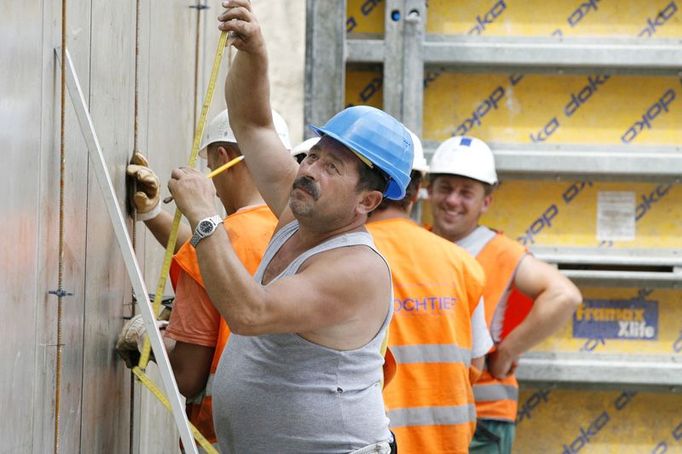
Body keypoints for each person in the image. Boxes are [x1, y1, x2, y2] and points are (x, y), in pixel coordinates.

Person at [166, 2, 413, 452]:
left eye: (332, 167)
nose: (311, 169)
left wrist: (205, 220)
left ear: (368, 201)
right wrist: (256, 53)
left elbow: (250, 313)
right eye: (314, 155)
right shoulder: (302, 212)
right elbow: (253, 123)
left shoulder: (355, 268)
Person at [118, 108, 289, 447]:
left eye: (211, 168)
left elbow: (187, 375)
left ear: (223, 157)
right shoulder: (297, 233)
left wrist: (150, 339)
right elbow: (228, 248)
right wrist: (153, 214)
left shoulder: (215, 246)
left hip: (224, 437)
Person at [427, 135, 582, 454]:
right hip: (427, 412)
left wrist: (506, 353)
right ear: (429, 190)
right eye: (445, 188)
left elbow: (564, 295)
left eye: (466, 192)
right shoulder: (418, 244)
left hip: (483, 420)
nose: (453, 200)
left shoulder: (501, 252)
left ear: (486, 202)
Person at [367, 130, 493, 453]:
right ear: (418, 188)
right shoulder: (461, 263)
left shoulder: (343, 253)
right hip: (446, 443)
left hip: (374, 442)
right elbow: (475, 363)